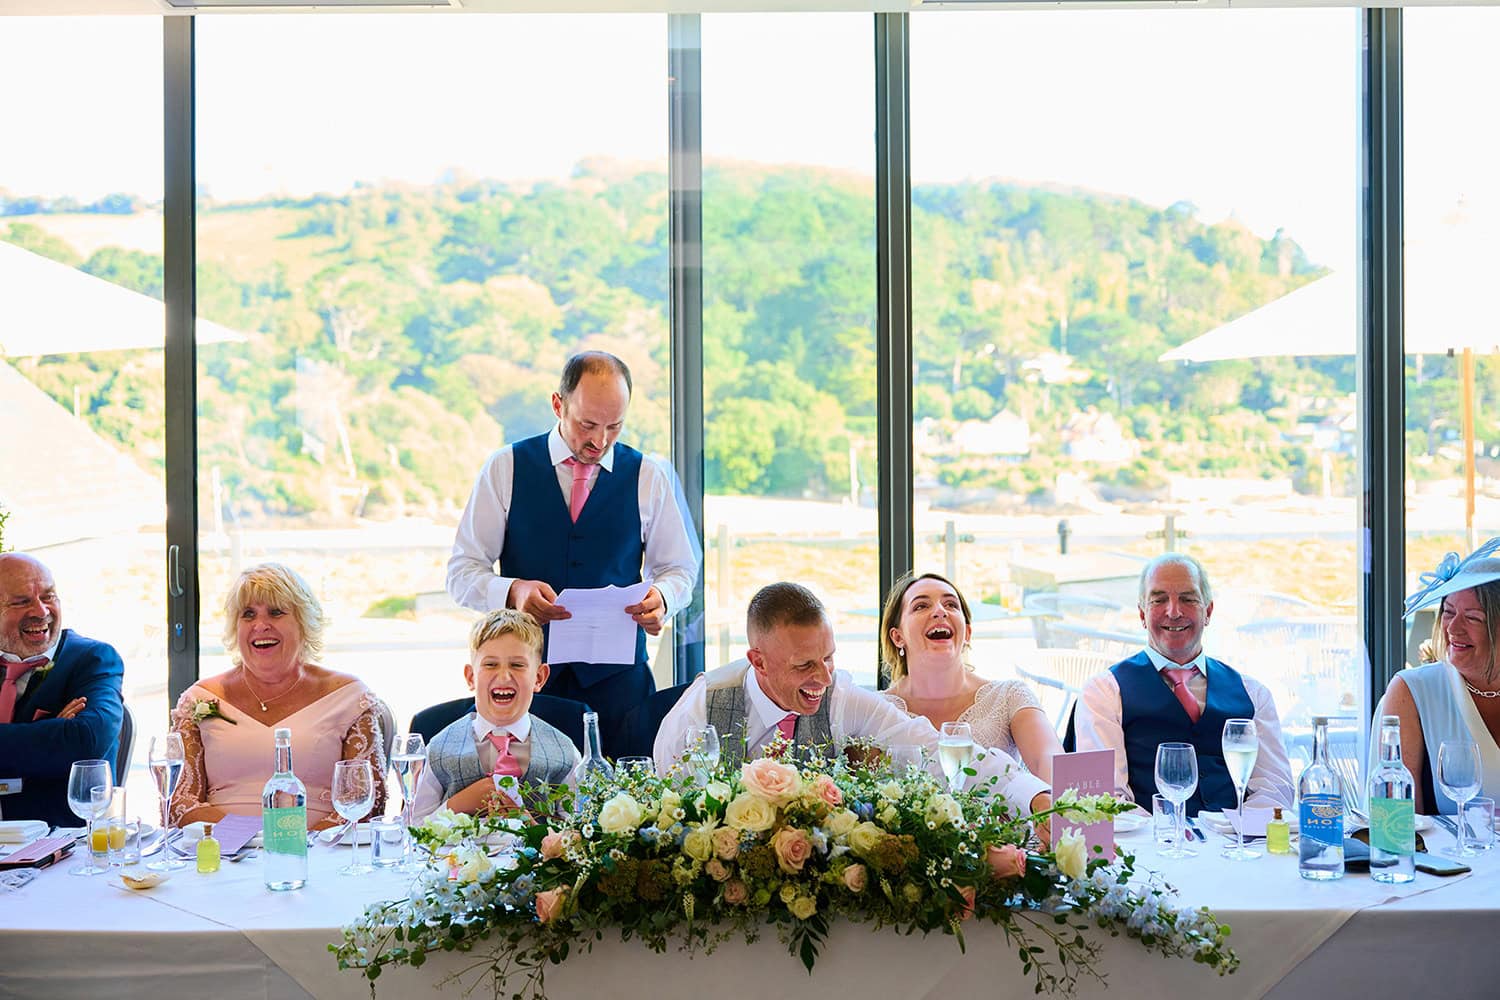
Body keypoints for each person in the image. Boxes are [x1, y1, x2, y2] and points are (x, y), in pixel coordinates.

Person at [446, 351, 700, 758]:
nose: (599, 440)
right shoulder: (505, 468)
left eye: (614, 426)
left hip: (621, 689)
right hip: (528, 685)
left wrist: (663, 598)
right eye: (587, 424)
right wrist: (514, 592)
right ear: (558, 404)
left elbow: (680, 569)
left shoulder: (648, 475)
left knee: (627, 809)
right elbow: (461, 572)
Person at [653, 582, 1051, 822]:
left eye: (829, 658)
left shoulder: (840, 696)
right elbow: (669, 803)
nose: (824, 678)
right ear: (757, 661)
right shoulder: (703, 706)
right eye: (805, 665)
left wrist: (1034, 797)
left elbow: (936, 750)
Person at [169, 563, 387, 830]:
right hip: (220, 853)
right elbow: (178, 803)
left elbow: (366, 801)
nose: (261, 625)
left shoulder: (348, 697)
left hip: (319, 854)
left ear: (304, 623)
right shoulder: (200, 699)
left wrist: (294, 844)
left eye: (275, 613)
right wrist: (248, 838)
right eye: (248, 614)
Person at [1075, 553, 1293, 816]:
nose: (1174, 612)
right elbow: (1106, 797)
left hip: (1235, 845)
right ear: (1142, 614)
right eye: (1159, 600)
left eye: (1188, 599)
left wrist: (1234, 832)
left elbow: (1275, 790)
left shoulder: (1254, 694)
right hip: (1150, 849)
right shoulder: (1105, 692)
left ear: (1208, 611)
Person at [879, 572, 1062, 783]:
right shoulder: (878, 711)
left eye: (950, 605)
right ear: (897, 637)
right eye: (921, 606)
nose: (940, 611)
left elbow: (1050, 762)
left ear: (967, 633)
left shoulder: (1009, 696)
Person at [409, 609, 580, 821]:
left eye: (517, 665)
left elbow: (579, 829)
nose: (504, 675)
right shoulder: (438, 749)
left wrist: (532, 827)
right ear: (471, 677)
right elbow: (412, 826)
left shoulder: (564, 751)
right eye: (490, 664)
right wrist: (457, 805)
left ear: (539, 677)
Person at [0, 553, 124, 828]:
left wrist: (67, 737)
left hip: (59, 839)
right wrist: (53, 732)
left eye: (48, 597)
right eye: (21, 602)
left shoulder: (93, 659)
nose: (41, 611)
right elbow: (63, 742)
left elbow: (86, 741)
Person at [1387, 543, 1500, 813]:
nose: (1452, 627)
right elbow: (1394, 818)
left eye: (1473, 618)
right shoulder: (1411, 691)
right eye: (1448, 612)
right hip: (1447, 855)